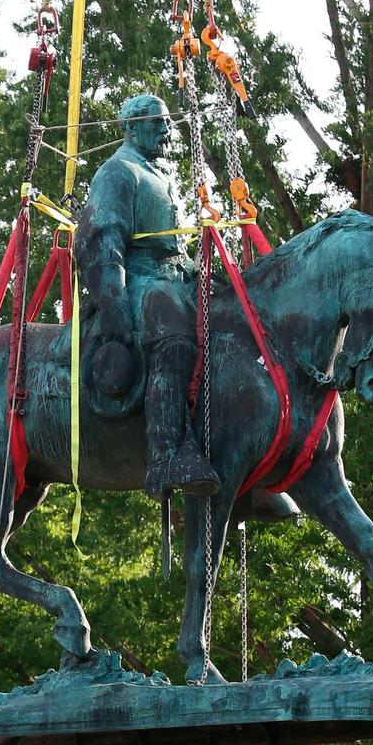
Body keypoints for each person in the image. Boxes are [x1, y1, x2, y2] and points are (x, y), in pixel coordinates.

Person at [75, 93, 220, 499]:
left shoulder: (160, 176)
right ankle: (166, 454)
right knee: (173, 332)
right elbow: (103, 241)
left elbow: (173, 246)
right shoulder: (118, 172)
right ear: (131, 126)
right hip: (136, 281)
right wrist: (113, 304)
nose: (166, 130)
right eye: (157, 122)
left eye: (167, 123)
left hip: (171, 278)